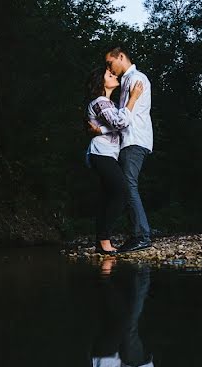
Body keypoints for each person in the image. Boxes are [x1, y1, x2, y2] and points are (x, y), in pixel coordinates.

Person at [92, 46, 154, 253]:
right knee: (125, 186)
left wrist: (100, 128)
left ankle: (141, 236)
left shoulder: (135, 78)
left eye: (110, 63)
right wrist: (100, 129)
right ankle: (137, 234)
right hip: (129, 141)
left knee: (128, 185)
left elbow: (124, 118)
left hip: (134, 140)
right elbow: (119, 118)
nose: (109, 68)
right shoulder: (128, 80)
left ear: (121, 57)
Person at [85, 67, 144, 254]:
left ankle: (100, 242)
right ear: (101, 83)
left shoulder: (108, 103)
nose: (114, 75)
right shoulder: (101, 102)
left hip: (106, 154)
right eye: (109, 75)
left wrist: (100, 130)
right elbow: (120, 123)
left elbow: (116, 125)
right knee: (122, 192)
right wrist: (134, 97)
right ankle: (104, 240)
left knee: (107, 197)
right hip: (101, 154)